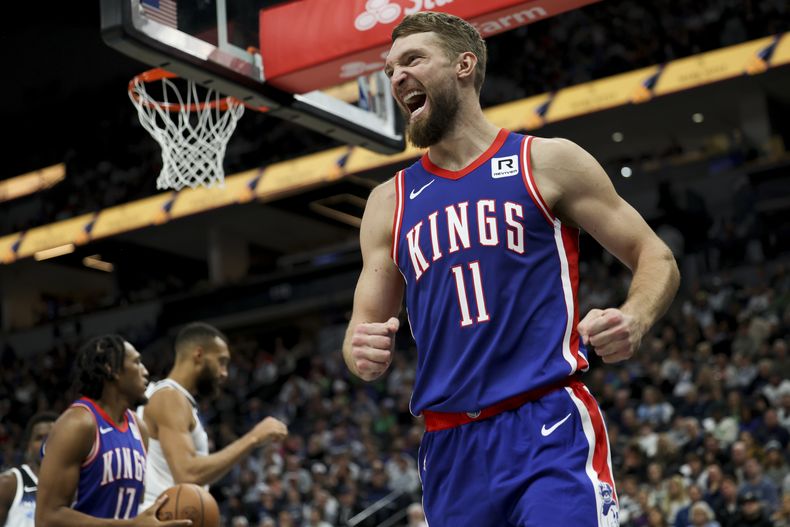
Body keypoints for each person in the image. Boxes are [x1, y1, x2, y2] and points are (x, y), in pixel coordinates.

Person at [343, 11, 680, 527]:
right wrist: (359, 350)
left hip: (546, 423)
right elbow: (360, 331)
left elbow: (655, 256)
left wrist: (635, 317)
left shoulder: (546, 161)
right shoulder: (389, 202)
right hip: (449, 447)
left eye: (412, 60)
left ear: (464, 64)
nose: (396, 77)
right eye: (390, 69)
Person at [35, 334, 191, 526]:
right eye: (137, 363)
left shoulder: (139, 428)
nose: (146, 371)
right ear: (112, 368)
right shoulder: (78, 424)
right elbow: (47, 518)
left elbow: (130, 511)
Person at [138, 322, 288, 509]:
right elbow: (188, 473)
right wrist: (253, 437)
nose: (224, 373)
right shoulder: (169, 397)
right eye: (222, 362)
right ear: (199, 355)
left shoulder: (172, 397)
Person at [0, 412, 57, 527]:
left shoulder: (78, 488)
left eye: (52, 437)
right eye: (40, 438)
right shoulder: (9, 485)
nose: (46, 444)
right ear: (28, 446)